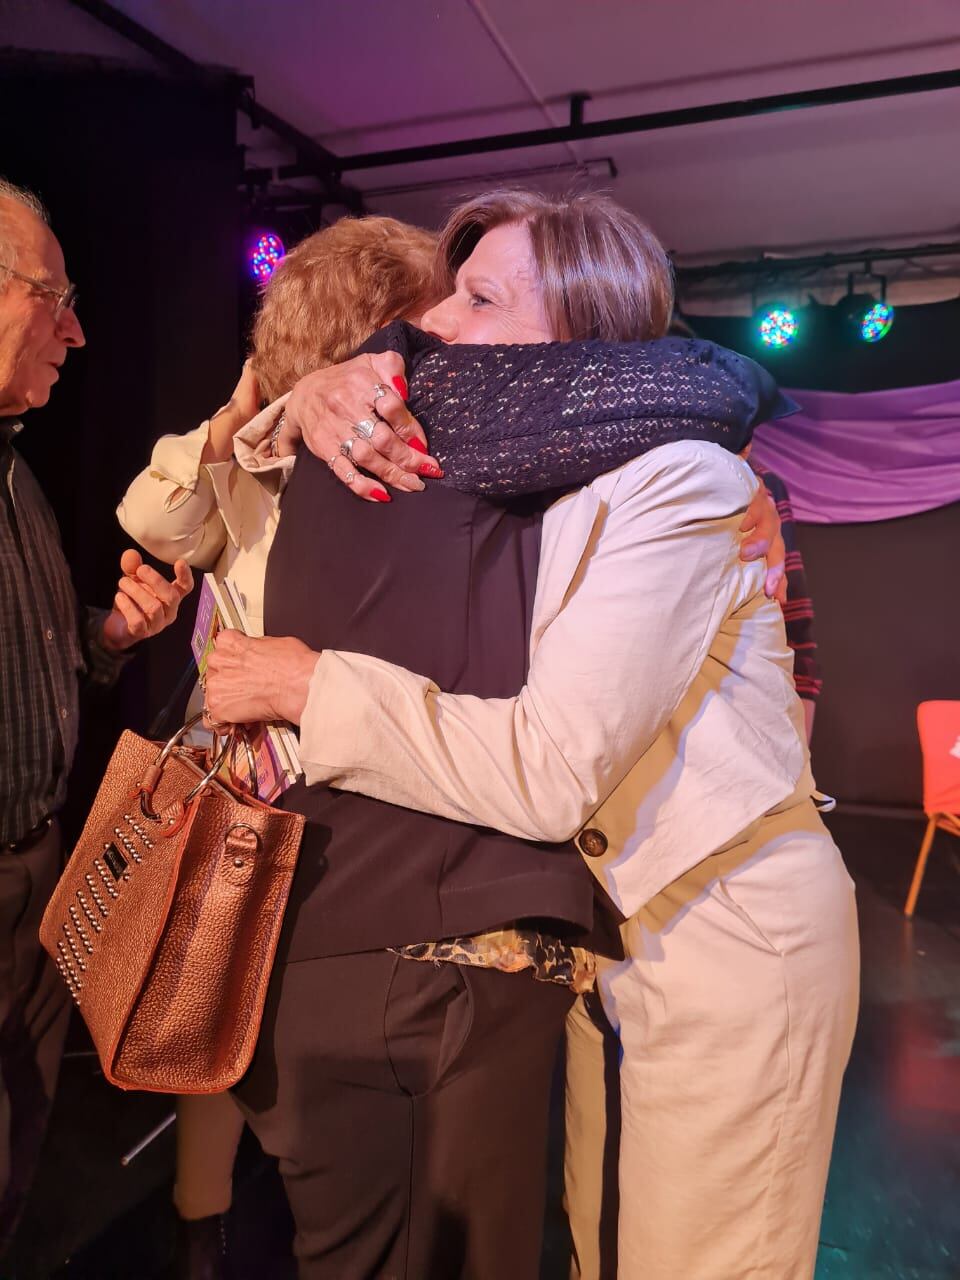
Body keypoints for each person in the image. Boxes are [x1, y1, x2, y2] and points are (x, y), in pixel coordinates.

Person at [206, 189, 859, 1280]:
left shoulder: (682, 478)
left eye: (479, 296)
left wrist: (317, 685)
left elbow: (549, 769)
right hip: (623, 940)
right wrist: (312, 391)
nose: (437, 324)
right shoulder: (550, 476)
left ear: (583, 330)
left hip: (730, 933)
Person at [117, 215, 440, 1279]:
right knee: (208, 1017)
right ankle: (199, 1231)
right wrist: (256, 396)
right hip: (242, 792)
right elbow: (152, 518)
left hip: (358, 800)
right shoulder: (256, 462)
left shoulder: (411, 462)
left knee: (304, 1050)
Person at [0, 178, 193, 1252]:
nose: (75, 329)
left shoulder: (16, 471)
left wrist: (106, 637)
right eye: (51, 295)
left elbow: (32, 659)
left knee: (19, 1146)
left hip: (35, 867)